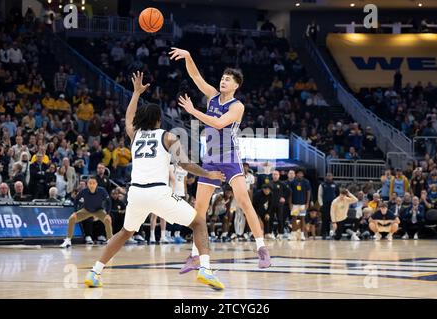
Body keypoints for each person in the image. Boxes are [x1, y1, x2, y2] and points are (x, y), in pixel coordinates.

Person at [84, 72, 226, 290]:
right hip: (158, 192)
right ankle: (205, 269)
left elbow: (128, 118)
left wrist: (135, 93)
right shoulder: (168, 136)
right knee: (198, 222)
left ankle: (95, 272)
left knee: (125, 233)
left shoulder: (135, 135)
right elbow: (186, 165)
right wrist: (209, 175)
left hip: (136, 193)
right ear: (158, 119)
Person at [169, 48, 271, 270]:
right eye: (223, 78)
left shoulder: (237, 106)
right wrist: (188, 56)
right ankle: (195, 255)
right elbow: (196, 77)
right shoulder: (213, 96)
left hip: (230, 157)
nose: (223, 81)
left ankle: (261, 248)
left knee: (243, 201)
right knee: (200, 209)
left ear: (236, 85)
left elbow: (217, 123)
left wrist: (193, 111)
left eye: (228, 79)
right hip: (211, 158)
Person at [60, 176, 112, 248]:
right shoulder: (83, 191)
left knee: (107, 219)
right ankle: (68, 240)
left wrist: (108, 213)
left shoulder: (102, 190)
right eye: (90, 183)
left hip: (98, 210)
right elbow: (76, 200)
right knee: (72, 218)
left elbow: (109, 202)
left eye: (93, 183)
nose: (92, 185)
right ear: (87, 184)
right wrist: (75, 212)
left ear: (96, 184)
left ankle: (110, 240)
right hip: (86, 210)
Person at [288, 168, 311, 241]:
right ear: (296, 174)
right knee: (294, 218)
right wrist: (290, 203)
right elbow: (290, 193)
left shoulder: (306, 182)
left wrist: (307, 203)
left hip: (302, 204)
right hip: (294, 204)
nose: (300, 174)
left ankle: (302, 234)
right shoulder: (293, 182)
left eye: (301, 173)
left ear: (303, 174)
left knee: (302, 218)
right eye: (298, 173)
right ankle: (293, 234)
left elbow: (308, 193)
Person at [317, 172, 339, 239]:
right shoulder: (322, 185)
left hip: (333, 205)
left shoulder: (335, 185)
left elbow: (338, 195)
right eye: (328, 176)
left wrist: (337, 204)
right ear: (326, 177)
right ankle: (324, 234)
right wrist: (321, 204)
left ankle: (333, 233)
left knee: (333, 220)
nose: (329, 177)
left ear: (332, 177)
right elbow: (319, 195)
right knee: (325, 220)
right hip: (325, 205)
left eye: (330, 176)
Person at [270, 170, 287, 239]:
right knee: (270, 219)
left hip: (279, 205)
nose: (275, 176)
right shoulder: (269, 183)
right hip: (271, 204)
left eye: (276, 174)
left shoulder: (282, 183)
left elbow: (289, 191)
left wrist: (284, 197)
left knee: (280, 219)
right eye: (274, 174)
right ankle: (270, 232)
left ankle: (280, 233)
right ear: (272, 175)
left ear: (279, 176)